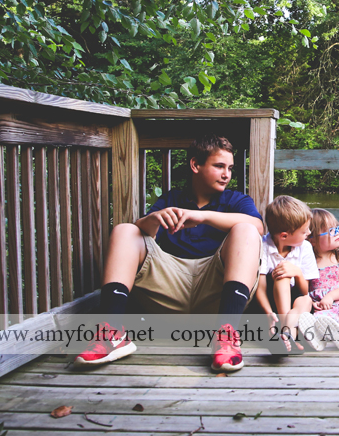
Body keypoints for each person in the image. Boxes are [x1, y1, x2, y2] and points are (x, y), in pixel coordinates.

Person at [74, 135, 263, 373]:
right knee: (125, 230)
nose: (227, 174)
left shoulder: (236, 200)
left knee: (246, 229)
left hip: (215, 292)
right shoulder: (172, 199)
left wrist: (203, 217)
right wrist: (153, 219)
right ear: (195, 165)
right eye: (219, 166)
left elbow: (258, 227)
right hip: (168, 288)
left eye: (230, 168)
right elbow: (142, 237)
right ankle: (111, 332)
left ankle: (226, 335)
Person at [253, 195, 322, 352]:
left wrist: (297, 273)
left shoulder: (305, 247)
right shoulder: (263, 247)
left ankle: (286, 333)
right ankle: (291, 334)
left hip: (295, 303)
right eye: (304, 231)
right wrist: (268, 313)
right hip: (270, 306)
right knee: (282, 274)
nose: (309, 233)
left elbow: (304, 291)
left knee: (306, 300)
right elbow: (260, 288)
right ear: (284, 236)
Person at [306, 208, 339, 350]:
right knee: (320, 319)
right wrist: (311, 302)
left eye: (337, 228)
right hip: (322, 305)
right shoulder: (309, 261)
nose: (337, 233)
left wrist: (331, 296)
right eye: (330, 231)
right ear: (312, 240)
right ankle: (319, 338)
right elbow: (304, 287)